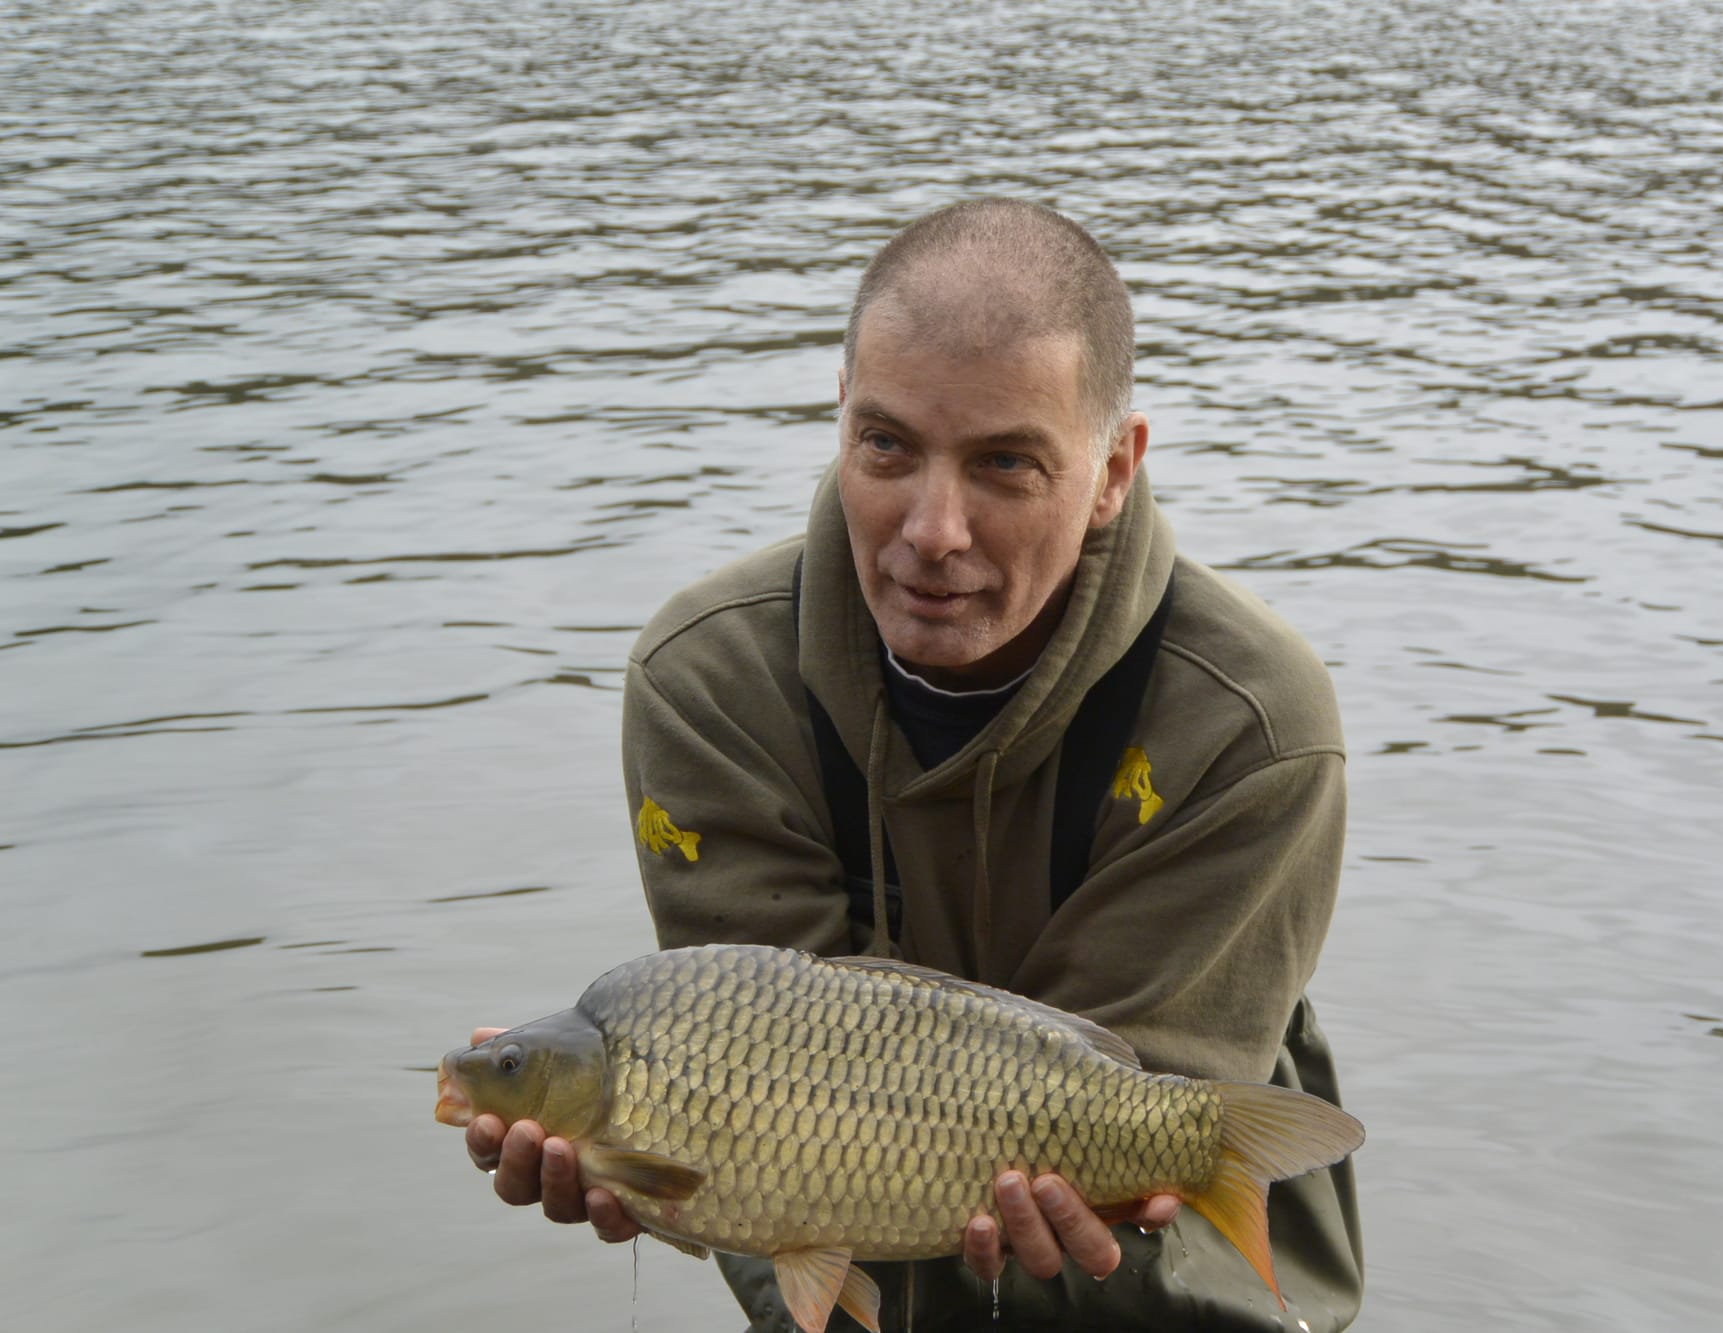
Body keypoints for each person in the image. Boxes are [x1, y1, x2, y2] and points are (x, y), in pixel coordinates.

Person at [464, 199, 1362, 1330]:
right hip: (828, 1190)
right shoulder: (707, 679)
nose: (933, 528)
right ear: (839, 418)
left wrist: (1120, 1177)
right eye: (886, 446)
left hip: (1151, 1235)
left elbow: (1131, 1095)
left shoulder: (1251, 717)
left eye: (1004, 464)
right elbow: (745, 1108)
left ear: (1112, 471)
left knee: (1121, 1223)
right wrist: (644, 1171)